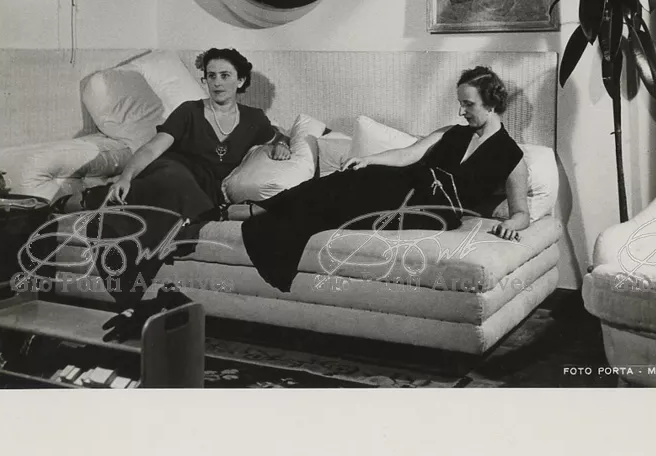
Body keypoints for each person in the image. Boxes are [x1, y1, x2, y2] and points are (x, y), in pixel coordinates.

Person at [241, 66, 530, 293]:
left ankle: (254, 212)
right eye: (460, 104)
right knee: (340, 181)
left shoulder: (511, 157)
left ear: (491, 104)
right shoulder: (452, 132)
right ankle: (256, 208)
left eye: (468, 104)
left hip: (430, 211)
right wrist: (369, 159)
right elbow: (407, 154)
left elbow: (521, 213)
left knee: (336, 203)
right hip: (401, 183)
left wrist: (510, 226)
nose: (460, 111)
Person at [81, 48, 290, 322]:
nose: (217, 83)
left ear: (240, 81)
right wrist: (125, 176)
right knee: (169, 187)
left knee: (174, 203)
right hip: (172, 171)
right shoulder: (189, 111)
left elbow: (278, 135)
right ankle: (128, 282)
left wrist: (281, 144)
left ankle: (95, 202)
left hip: (204, 188)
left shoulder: (254, 118)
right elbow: (152, 148)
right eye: (211, 76)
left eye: (225, 75)